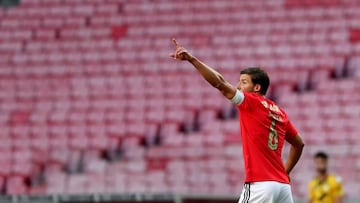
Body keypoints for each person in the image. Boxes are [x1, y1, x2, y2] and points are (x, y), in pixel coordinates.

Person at [170, 39, 305, 203]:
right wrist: (286, 171)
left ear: (257, 88)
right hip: (282, 187)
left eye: (244, 82)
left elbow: (219, 83)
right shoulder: (279, 112)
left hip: (260, 184)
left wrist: (192, 59)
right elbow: (299, 144)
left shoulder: (251, 102)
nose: (238, 86)